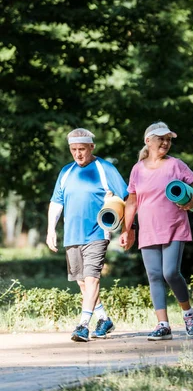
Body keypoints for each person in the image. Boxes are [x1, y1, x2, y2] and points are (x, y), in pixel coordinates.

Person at [120, 121, 193, 341]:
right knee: (155, 276)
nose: (166, 143)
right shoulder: (137, 169)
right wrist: (127, 229)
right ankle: (163, 325)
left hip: (174, 226)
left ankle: (187, 312)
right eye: (162, 139)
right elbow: (131, 202)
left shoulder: (175, 165)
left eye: (168, 139)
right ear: (148, 141)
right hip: (148, 229)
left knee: (170, 272)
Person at [47, 128, 128, 342]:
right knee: (82, 282)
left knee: (92, 278)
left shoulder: (104, 168)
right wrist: (50, 230)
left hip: (97, 232)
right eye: (73, 149)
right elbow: (56, 203)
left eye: (82, 149)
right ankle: (104, 319)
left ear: (91, 147)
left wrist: (129, 228)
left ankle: (82, 325)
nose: (78, 154)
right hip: (72, 235)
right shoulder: (66, 172)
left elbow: (128, 197)